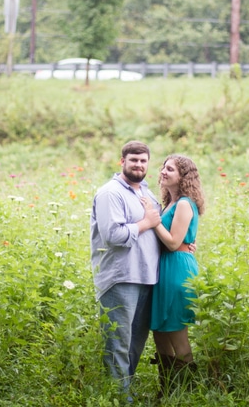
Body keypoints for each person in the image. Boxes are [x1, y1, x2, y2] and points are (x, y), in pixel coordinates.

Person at [90, 140, 162, 396]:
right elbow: (112, 235)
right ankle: (120, 398)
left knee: (135, 343)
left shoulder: (147, 194)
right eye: (133, 160)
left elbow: (158, 231)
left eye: (143, 161)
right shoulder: (111, 193)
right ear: (122, 162)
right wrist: (145, 223)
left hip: (146, 277)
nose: (138, 165)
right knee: (118, 343)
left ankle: (122, 391)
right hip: (120, 278)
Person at [149, 154, 206, 395]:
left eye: (170, 169)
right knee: (160, 332)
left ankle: (190, 392)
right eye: (163, 167)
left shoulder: (184, 203)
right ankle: (168, 390)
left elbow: (173, 243)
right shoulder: (170, 204)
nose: (163, 171)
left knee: (175, 331)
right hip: (164, 268)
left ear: (183, 177)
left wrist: (153, 221)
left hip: (176, 269)